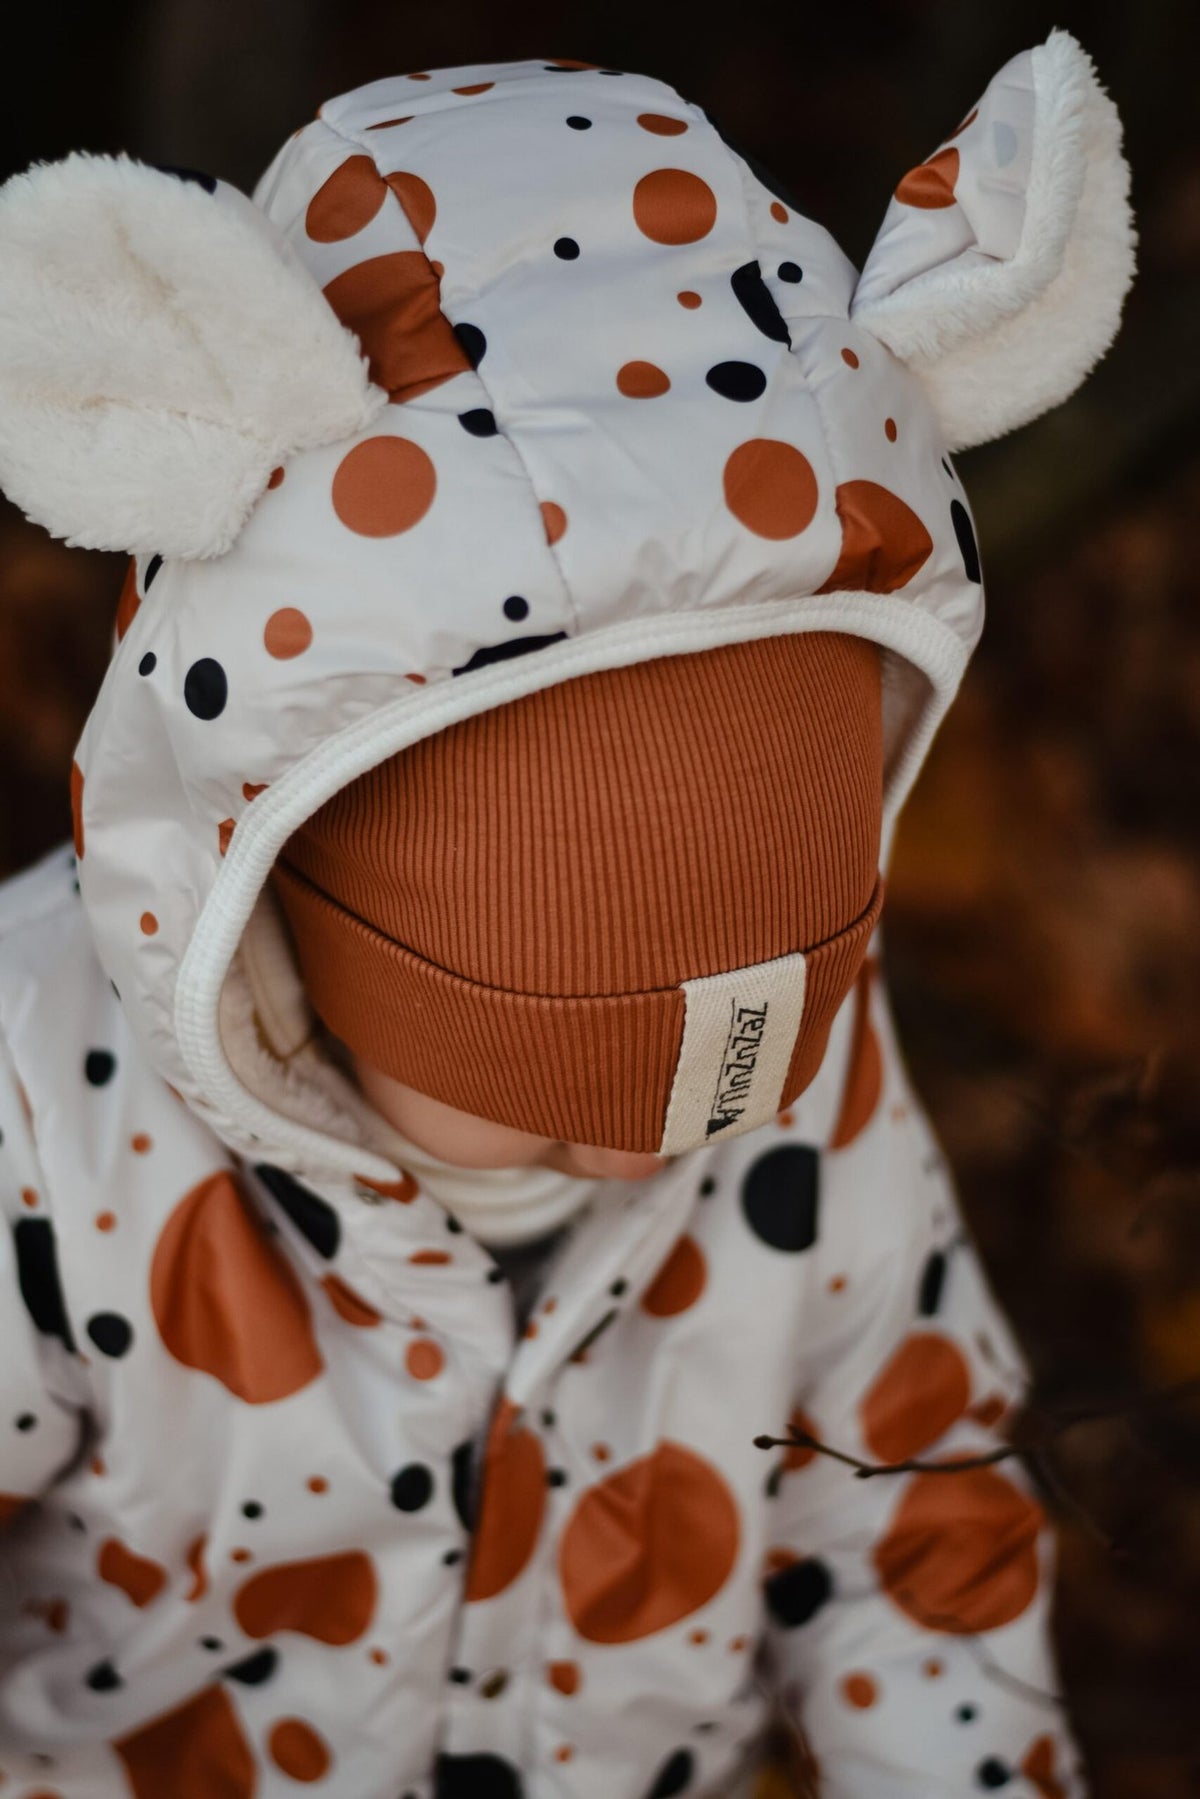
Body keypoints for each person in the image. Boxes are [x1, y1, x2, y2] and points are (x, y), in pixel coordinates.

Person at [0, 34, 1134, 1799]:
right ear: (280, 871)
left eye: (736, 1047)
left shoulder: (813, 1095)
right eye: (539, 1077)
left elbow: (908, 1516)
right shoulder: (47, 1117)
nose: (643, 1147)